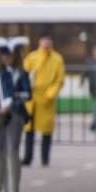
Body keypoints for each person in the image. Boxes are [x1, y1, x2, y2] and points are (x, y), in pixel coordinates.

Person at [0, 39, 30, 192]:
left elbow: (24, 93)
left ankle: (13, 191)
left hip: (14, 114)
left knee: (12, 150)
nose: (5, 59)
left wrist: (12, 100)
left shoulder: (16, 73)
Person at [22, 34, 65, 167]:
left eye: (48, 40)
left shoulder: (57, 59)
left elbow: (59, 79)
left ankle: (45, 158)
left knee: (47, 131)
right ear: (40, 41)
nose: (46, 43)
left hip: (47, 99)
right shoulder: (32, 57)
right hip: (32, 99)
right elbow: (24, 74)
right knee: (29, 130)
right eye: (44, 40)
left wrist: (51, 93)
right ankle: (27, 157)